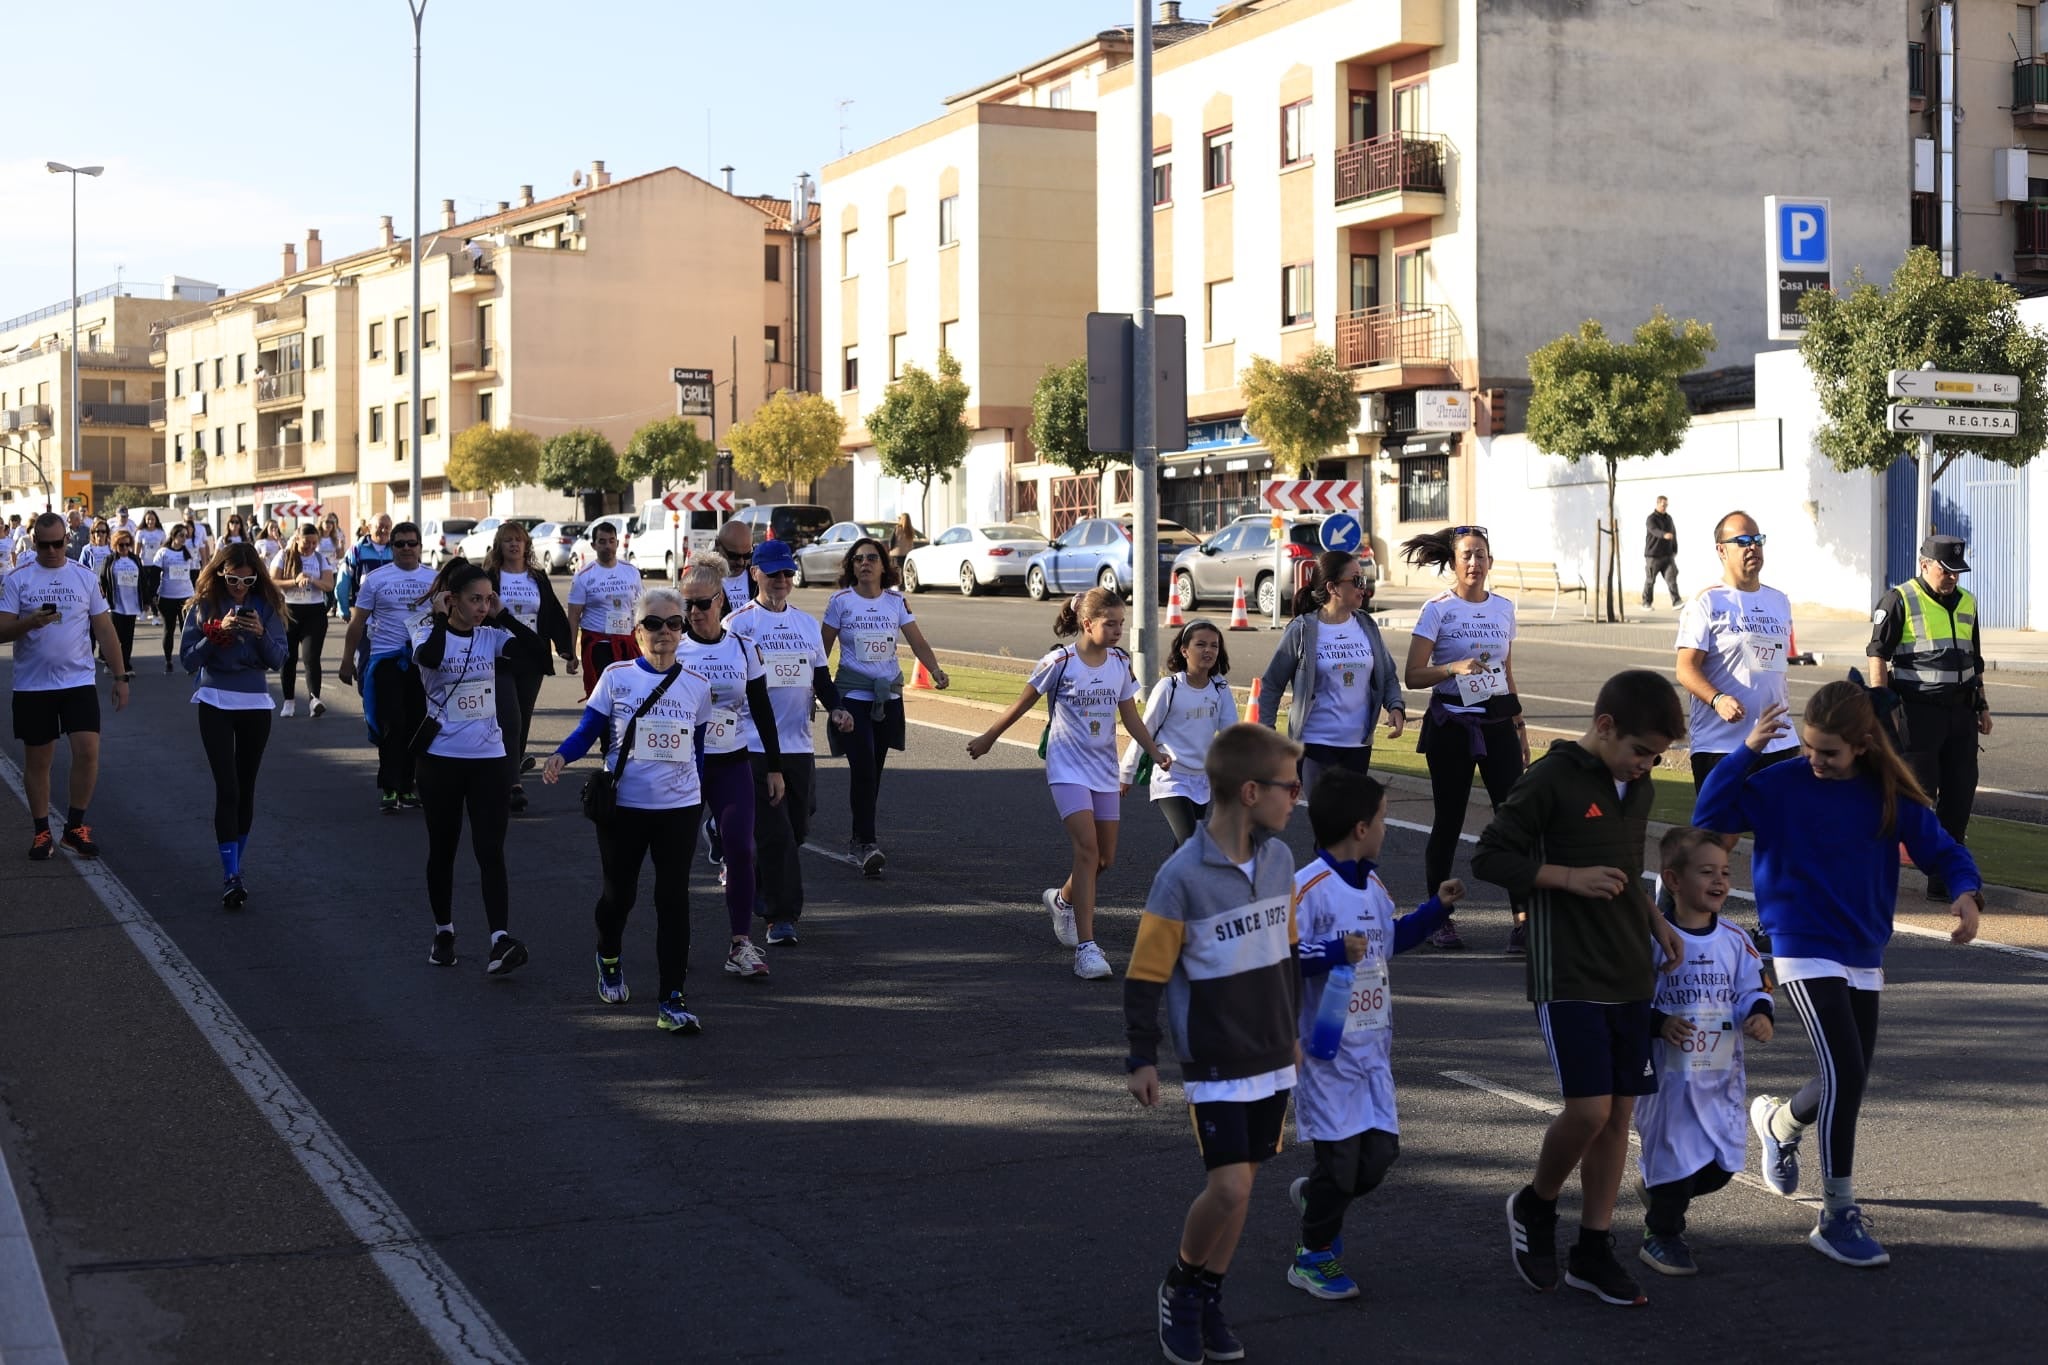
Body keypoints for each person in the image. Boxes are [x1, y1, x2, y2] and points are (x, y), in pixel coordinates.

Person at [1695, 685, 1981, 1269]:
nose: (1815, 762)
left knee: (1845, 1077)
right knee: (1845, 1071)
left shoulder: (1888, 794)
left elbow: (1942, 849)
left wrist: (1965, 893)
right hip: (1799, 944)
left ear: (1862, 745)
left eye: (1828, 753)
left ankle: (1779, 1124)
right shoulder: (1778, 784)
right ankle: (1837, 1213)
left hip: (1862, 949)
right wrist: (1747, 751)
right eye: (1807, 749)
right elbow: (1710, 814)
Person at [1474, 668, 1687, 1309]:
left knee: (1620, 1116)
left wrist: (1657, 921)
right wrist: (1565, 877)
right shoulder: (1550, 779)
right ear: (1604, 728)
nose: (1647, 766)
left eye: (1656, 756)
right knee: (1590, 1110)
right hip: (1567, 970)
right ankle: (1536, 1204)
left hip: (1629, 968)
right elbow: (1489, 855)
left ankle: (1593, 1251)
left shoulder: (1638, 785)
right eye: (1641, 752)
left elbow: (1626, 863)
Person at [1124, 723, 1304, 1365]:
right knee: (1226, 1188)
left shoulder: (1281, 861)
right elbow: (1145, 973)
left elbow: (1286, 954)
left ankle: (1208, 1294)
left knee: (1246, 1187)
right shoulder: (1180, 878)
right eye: (1289, 785)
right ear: (1251, 792)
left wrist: (1295, 1032)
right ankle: (1180, 1284)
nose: (1297, 796)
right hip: (1216, 1059)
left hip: (1271, 1053)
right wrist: (1142, 1056)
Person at [1285, 769, 1462, 1301]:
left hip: (1372, 1052)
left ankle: (1321, 1198)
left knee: (1379, 1157)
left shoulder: (1375, 885)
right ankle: (1312, 1256)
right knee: (1339, 1163)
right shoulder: (1307, 886)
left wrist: (1435, 911)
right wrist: (1336, 952)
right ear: (1360, 828)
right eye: (1384, 819)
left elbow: (1387, 940)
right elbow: (1282, 959)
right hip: (1325, 1054)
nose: (1387, 828)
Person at [967, 587, 1172, 980]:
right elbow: (1022, 704)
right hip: (1066, 768)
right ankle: (1087, 949)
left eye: (1121, 624)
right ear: (1087, 622)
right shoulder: (1059, 661)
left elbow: (1130, 718)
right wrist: (989, 737)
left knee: (1105, 859)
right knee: (1087, 850)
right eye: (1110, 623)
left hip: (1103, 769)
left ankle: (1062, 901)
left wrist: (1154, 751)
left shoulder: (1119, 662)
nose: (1117, 630)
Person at [543, 586, 718, 1032]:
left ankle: (672, 999)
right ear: (637, 631)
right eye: (655, 624)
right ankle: (609, 955)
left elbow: (697, 751)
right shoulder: (618, 676)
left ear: (683, 631)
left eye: (674, 623)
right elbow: (589, 728)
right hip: (625, 806)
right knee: (619, 895)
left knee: (673, 899)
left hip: (679, 807)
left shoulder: (698, 685)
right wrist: (562, 755)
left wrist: (703, 799)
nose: (665, 632)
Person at [1630, 827, 1774, 1277]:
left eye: (1725, 872)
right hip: (1667, 1078)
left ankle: (1660, 1192)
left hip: (1719, 1076)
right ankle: (1662, 1235)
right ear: (1673, 881)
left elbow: (1753, 985)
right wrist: (1660, 1022)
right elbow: (1630, 997)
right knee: (1676, 1154)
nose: (1719, 881)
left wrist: (1761, 1014)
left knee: (1719, 1168)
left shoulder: (1733, 938)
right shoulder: (1652, 937)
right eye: (1706, 872)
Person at [411, 558, 544, 975]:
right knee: (444, 849)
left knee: (491, 850)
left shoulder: (492, 637)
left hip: (489, 759)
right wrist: (438, 618)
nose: (482, 607)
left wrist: (504, 613)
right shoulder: (422, 631)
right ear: (451, 600)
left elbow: (536, 654)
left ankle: (499, 939)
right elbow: (431, 658)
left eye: (488, 599)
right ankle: (444, 931)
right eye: (475, 600)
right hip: (441, 762)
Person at [1401, 524, 1528, 952]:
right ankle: (1440, 919)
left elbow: (1506, 673)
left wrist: (1519, 726)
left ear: (1491, 561)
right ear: (1454, 563)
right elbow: (1413, 674)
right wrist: (1452, 669)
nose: (1474, 563)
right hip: (1451, 724)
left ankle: (1523, 920)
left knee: (1513, 821)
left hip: (1496, 724)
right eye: (1466, 556)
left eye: (1481, 555)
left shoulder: (1504, 608)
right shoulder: (1437, 609)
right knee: (1449, 821)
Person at [726, 537, 853, 945]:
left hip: (798, 745)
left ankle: (743, 863)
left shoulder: (804, 624)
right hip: (754, 745)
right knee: (778, 834)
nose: (782, 580)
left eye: (788, 574)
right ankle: (781, 917)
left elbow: (820, 677)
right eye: (774, 573)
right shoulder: (739, 624)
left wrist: (836, 708)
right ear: (755, 573)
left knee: (796, 828)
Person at [672, 556, 786, 980]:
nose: (694, 613)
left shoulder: (742, 647)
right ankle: (675, 939)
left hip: (733, 761)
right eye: (688, 605)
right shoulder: (673, 648)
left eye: (702, 604)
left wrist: (774, 768)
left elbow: (761, 708)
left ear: (720, 600)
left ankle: (741, 944)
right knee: (675, 859)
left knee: (742, 850)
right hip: (682, 766)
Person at [1866, 533, 1991, 899]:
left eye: (1957, 571)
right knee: (1914, 797)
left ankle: (1943, 879)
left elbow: (1974, 659)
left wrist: (1982, 705)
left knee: (1959, 795)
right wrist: (1879, 702)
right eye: (1945, 570)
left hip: (1961, 713)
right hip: (1917, 714)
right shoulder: (1899, 599)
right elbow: (1877, 653)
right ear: (1924, 564)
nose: (1952, 577)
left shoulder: (1967, 602)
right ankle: (1878, 871)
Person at [0, 512, 131, 858]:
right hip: (33, 685)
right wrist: (29, 623)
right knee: (39, 761)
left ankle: (74, 827)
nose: (53, 551)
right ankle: (42, 831)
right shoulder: (18, 579)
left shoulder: (83, 577)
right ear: (34, 543)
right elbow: (1, 631)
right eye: (45, 545)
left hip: (78, 681)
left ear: (66, 540)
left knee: (88, 752)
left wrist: (120, 677)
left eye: (59, 543)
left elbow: (104, 629)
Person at [819, 535, 949, 875]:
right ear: (851, 566)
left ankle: (858, 837)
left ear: (882, 566)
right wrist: (814, 693)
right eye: (858, 558)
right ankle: (867, 843)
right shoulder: (840, 602)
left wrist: (935, 670)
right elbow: (821, 652)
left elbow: (917, 641)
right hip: (851, 697)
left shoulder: (897, 602)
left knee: (872, 773)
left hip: (887, 697)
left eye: (871, 558)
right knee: (862, 767)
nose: (865, 563)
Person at [180, 542, 289, 908]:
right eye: (231, 580)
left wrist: (260, 633)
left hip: (255, 703)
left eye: (247, 580)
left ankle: (236, 865)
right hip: (214, 699)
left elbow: (278, 660)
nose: (239, 588)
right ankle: (231, 875)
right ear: (219, 574)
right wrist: (216, 633)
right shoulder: (202, 606)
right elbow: (188, 661)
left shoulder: (267, 607)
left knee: (246, 787)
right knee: (227, 788)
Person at [1257, 549, 1405, 786]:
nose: (1362, 586)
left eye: (1363, 578)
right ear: (1332, 587)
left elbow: (1387, 675)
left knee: (1352, 821)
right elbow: (1272, 684)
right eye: (1356, 580)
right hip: (1314, 746)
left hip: (1358, 746)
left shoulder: (1367, 625)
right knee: (1327, 821)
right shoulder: (1302, 629)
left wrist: (1396, 706)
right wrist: (1267, 733)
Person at [1674, 510, 1800, 787]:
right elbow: (1685, 669)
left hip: (1778, 742)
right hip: (1722, 745)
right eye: (1742, 541)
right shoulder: (1706, 602)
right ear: (1721, 550)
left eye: (1757, 539)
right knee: (1721, 830)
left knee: (1780, 828)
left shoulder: (1778, 601)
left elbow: (1764, 664)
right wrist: (1718, 699)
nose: (1752, 546)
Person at [336, 522, 438, 812]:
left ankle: (409, 786)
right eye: (400, 543)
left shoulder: (436, 579)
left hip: (423, 664)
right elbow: (357, 623)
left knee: (418, 724)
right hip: (386, 661)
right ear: (391, 548)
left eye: (411, 543)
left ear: (420, 547)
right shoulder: (376, 580)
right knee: (392, 723)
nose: (406, 548)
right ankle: (390, 787)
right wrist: (346, 662)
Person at [1120, 619, 1238, 846]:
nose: (1208, 650)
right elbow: (1145, 729)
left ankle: (1170, 882)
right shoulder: (1169, 687)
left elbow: (1230, 734)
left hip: (1201, 779)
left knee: (1184, 846)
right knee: (1192, 841)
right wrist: (1127, 772)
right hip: (1171, 777)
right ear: (1184, 650)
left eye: (1214, 645)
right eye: (1201, 644)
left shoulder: (1220, 687)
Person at [484, 521, 574, 812]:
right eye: (507, 540)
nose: (513, 545)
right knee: (509, 720)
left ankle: (509, 772)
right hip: (500, 656)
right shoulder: (490, 577)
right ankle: (514, 786)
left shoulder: (537, 577)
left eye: (518, 540)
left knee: (521, 721)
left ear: (526, 545)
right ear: (499, 546)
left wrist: (566, 650)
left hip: (532, 657)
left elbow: (553, 614)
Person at [567, 520, 641, 700]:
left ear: (617, 542)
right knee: (604, 698)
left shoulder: (631, 572)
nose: (607, 546)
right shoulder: (583, 576)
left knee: (630, 696)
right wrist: (571, 654)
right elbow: (573, 617)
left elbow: (641, 610)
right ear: (593, 545)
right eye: (602, 541)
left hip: (626, 643)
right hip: (599, 645)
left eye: (611, 540)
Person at [272, 523, 335, 718]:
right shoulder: (284, 556)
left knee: (311, 658)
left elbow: (329, 584)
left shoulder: (319, 558)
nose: (310, 547)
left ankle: (314, 700)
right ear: (297, 539)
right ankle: (289, 701)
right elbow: (273, 581)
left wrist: (312, 580)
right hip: (290, 611)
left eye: (314, 543)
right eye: (306, 543)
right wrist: (294, 581)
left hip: (314, 613)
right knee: (289, 658)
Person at [152, 525, 201, 672]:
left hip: (186, 597)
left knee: (187, 630)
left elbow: (194, 574)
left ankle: (189, 661)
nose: (183, 538)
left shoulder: (188, 554)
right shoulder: (163, 552)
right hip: (167, 597)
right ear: (173, 536)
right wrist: (153, 594)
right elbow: (154, 574)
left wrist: (196, 593)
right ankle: (168, 660)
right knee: (169, 629)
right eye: (181, 535)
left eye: (186, 536)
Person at [97, 528, 145, 674]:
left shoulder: (135, 559)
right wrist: (102, 598)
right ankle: (110, 663)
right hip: (115, 605)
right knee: (114, 637)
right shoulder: (110, 560)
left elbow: (142, 580)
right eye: (121, 545)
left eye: (127, 544)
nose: (124, 548)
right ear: (115, 545)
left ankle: (125, 665)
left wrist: (147, 600)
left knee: (127, 638)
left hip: (132, 605)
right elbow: (102, 580)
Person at [1642, 495, 1679, 608]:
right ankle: (1646, 602)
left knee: (1671, 578)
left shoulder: (1669, 518)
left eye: (1666, 505)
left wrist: (1675, 548)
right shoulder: (1651, 519)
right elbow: (1654, 530)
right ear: (1657, 504)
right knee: (1650, 580)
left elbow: (1673, 533)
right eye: (1662, 504)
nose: (1664, 507)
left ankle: (1676, 601)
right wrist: (1664, 535)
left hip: (1667, 555)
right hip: (1653, 556)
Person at [715, 519, 755, 612]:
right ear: (717, 546)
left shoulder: (760, 579)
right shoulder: (702, 580)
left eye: (747, 555)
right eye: (734, 556)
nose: (741, 562)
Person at [136, 511, 167, 622]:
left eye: (152, 519)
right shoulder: (141, 532)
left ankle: (155, 614)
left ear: (156, 520)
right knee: (145, 588)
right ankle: (144, 610)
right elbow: (137, 550)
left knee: (154, 589)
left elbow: (164, 548)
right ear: (145, 520)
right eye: (148, 519)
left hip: (156, 565)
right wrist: (137, 563)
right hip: (144, 564)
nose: (150, 521)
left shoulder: (160, 533)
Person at [890, 512, 919, 579]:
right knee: (905, 570)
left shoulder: (897, 528)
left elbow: (892, 541)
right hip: (908, 553)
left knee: (897, 571)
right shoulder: (911, 530)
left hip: (897, 554)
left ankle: (898, 584)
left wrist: (890, 549)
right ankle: (904, 584)